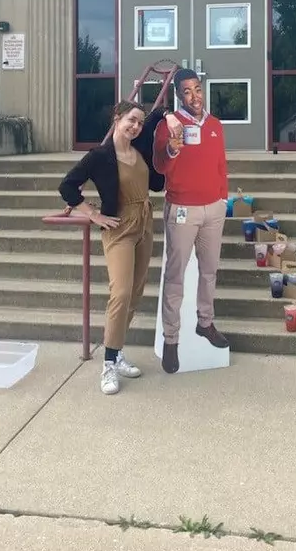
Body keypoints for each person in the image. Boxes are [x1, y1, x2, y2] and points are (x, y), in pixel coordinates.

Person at [59, 100, 181, 395]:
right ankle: (109, 364)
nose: (136, 126)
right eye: (131, 120)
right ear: (117, 118)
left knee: (135, 294)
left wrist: (169, 118)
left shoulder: (139, 149)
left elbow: (158, 114)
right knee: (121, 293)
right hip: (119, 228)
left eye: (139, 122)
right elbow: (67, 186)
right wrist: (93, 214)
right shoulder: (100, 156)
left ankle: (117, 350)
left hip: (144, 224)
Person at [153, 68, 230, 374]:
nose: (195, 96)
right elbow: (159, 165)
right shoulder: (169, 125)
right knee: (175, 276)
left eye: (197, 89)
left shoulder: (215, 125)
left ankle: (205, 323)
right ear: (178, 95)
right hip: (182, 209)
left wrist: (223, 198)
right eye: (187, 91)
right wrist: (171, 149)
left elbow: (221, 165)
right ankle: (171, 339)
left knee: (209, 271)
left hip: (213, 209)